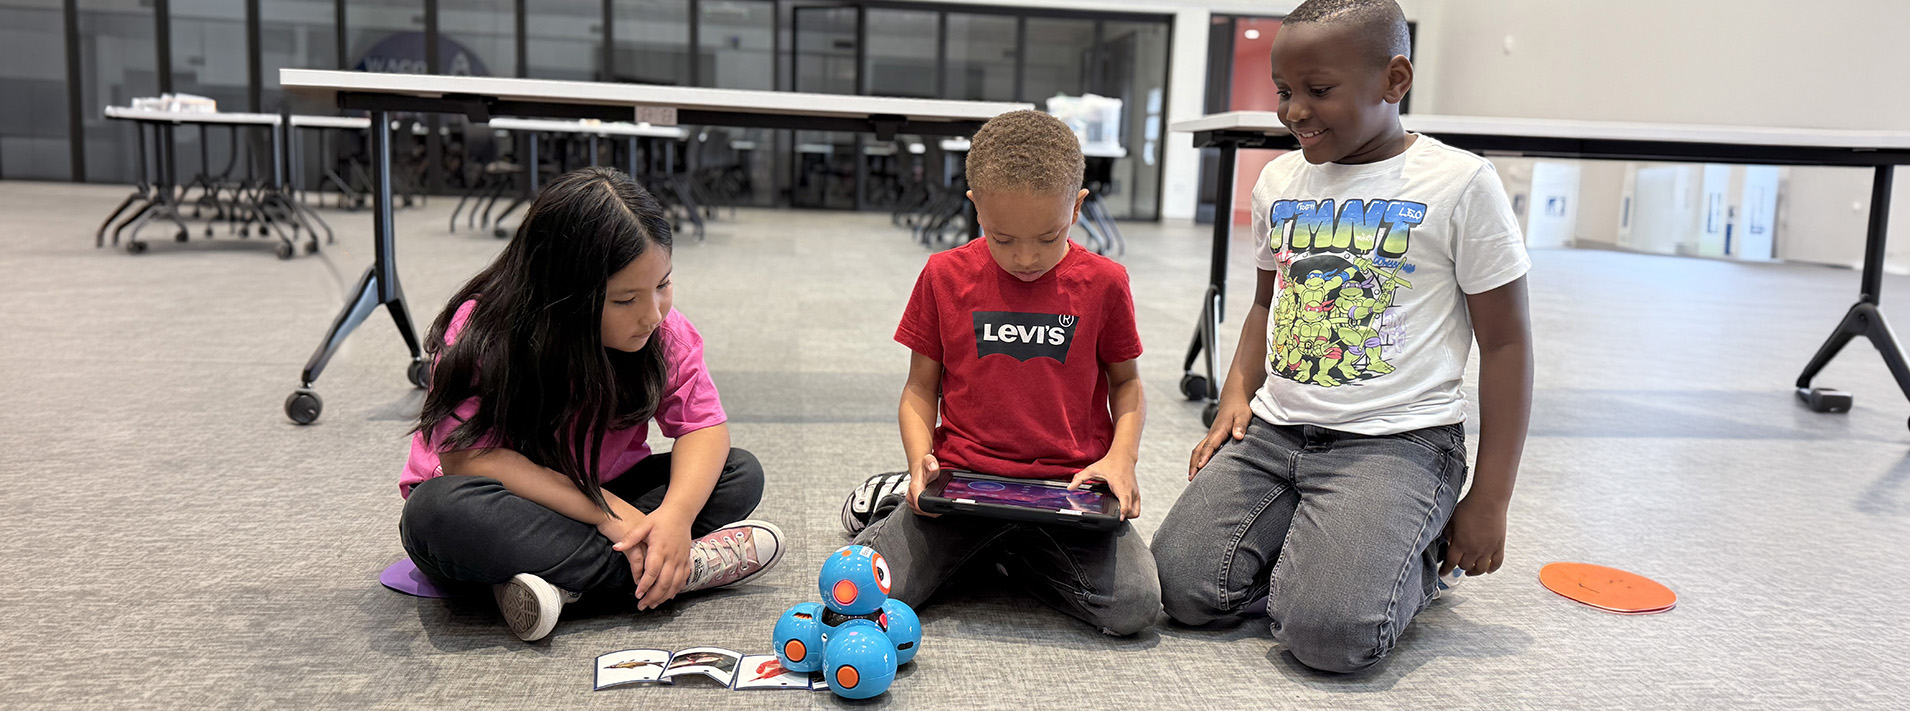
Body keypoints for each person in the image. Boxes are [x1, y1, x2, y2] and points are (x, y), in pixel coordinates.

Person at [1151, 0, 1534, 673]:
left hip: (1398, 443)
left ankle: (1402, 559)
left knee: (1329, 634)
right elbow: (1266, 304)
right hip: (1274, 435)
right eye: (1284, 91)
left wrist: (1491, 498)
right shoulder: (1279, 181)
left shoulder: (1461, 184)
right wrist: (1238, 390)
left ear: (1394, 79)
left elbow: (1506, 345)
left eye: (1318, 90)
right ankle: (1332, 550)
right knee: (1179, 587)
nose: (1294, 110)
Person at [397, 167, 784, 642]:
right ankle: (677, 572)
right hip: (504, 498)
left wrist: (676, 518)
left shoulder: (664, 330)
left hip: (602, 490)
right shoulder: (483, 332)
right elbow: (468, 460)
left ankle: (560, 586)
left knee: (738, 473)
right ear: (560, 296)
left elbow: (704, 428)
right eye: (625, 300)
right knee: (435, 514)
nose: (653, 314)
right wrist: (607, 513)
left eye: (663, 284)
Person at [838, 110, 1161, 636]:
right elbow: (921, 388)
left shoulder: (1104, 283)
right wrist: (919, 458)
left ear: (1077, 208)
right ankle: (916, 507)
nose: (1026, 257)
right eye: (1002, 238)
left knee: (1133, 607)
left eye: (1047, 236)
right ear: (976, 210)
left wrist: (1121, 458)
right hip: (964, 481)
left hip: (1069, 487)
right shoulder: (944, 275)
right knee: (863, 592)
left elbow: (1126, 384)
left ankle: (996, 555)